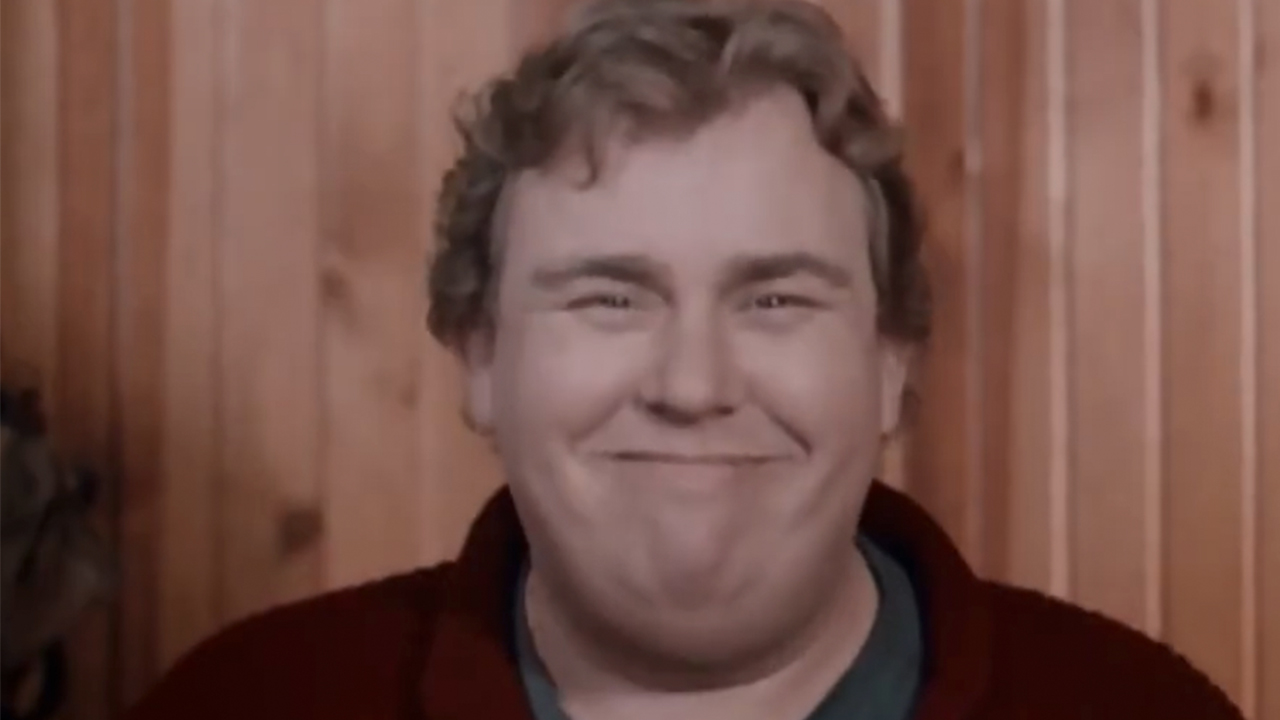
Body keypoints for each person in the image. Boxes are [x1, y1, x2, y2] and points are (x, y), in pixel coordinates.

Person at [125, 1, 1244, 718]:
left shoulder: (1138, 709)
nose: (692, 385)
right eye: (610, 295)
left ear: (890, 359)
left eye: (773, 297)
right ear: (477, 352)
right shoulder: (248, 703)